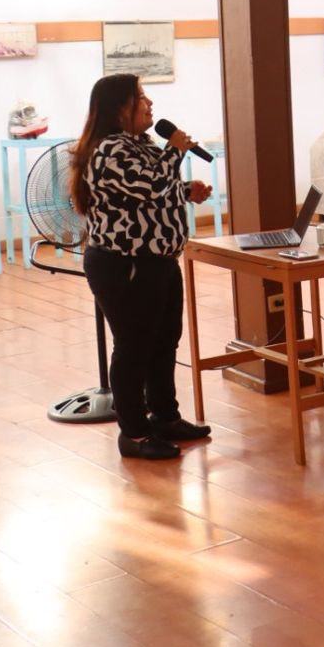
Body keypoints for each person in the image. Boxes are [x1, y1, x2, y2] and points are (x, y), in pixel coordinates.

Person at [70, 74, 212, 460]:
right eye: (141, 98)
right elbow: (148, 186)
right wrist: (176, 150)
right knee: (134, 348)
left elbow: (149, 192)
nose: (150, 104)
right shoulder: (107, 149)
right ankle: (133, 433)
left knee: (163, 344)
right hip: (124, 264)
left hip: (159, 261)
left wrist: (185, 191)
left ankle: (165, 418)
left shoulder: (139, 144)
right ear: (119, 109)